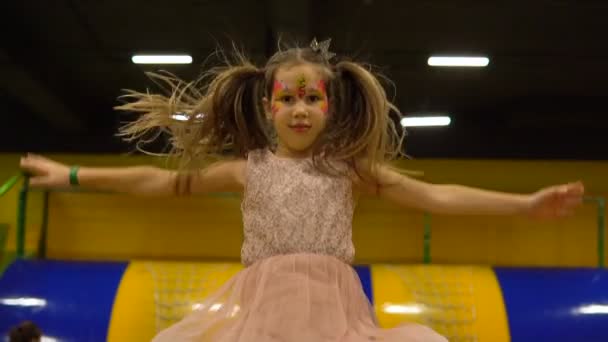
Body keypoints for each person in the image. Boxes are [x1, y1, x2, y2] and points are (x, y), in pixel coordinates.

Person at [20, 39, 584, 341]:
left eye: (311, 98)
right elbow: (160, 182)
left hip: (339, 320)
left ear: (329, 106)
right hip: (261, 316)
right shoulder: (250, 167)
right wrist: (72, 176)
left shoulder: (348, 170)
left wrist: (525, 204)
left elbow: (437, 197)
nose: (299, 109)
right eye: (287, 99)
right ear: (269, 107)